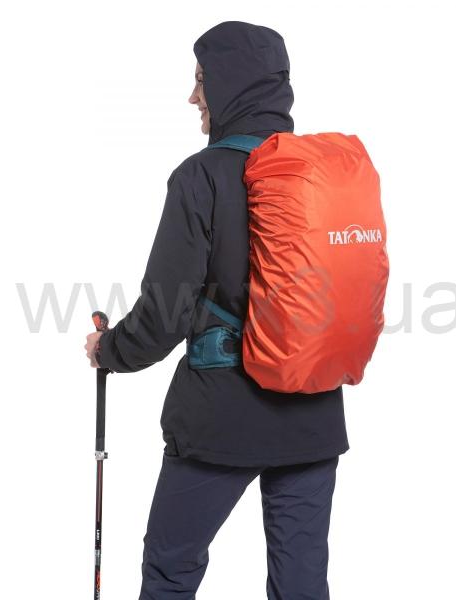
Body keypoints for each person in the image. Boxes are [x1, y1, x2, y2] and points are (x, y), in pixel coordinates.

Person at [84, 20, 349, 599]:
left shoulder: (201, 177)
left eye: (202, 79)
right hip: (314, 414)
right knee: (301, 583)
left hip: (220, 417)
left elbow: (164, 313)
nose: (193, 96)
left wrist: (110, 351)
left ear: (232, 81)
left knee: (171, 569)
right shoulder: (324, 174)